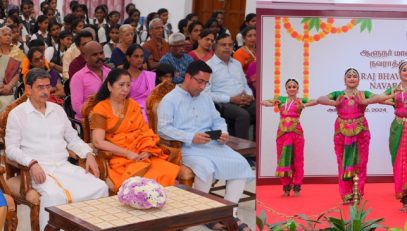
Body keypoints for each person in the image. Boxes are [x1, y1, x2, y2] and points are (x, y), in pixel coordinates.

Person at [5, 68, 108, 231]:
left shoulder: (57, 110)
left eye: (48, 86)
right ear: (28, 88)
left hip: (64, 166)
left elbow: (73, 139)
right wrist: (31, 163)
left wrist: (87, 154)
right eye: (40, 87)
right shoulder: (17, 114)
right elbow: (10, 149)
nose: (46, 91)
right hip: (39, 170)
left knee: (100, 187)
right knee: (55, 196)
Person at [158, 60, 253, 231]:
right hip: (187, 147)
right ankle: (203, 214)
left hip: (212, 144)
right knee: (205, 168)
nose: (202, 87)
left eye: (206, 82)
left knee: (240, 164)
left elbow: (218, 120)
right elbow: (163, 129)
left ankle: (229, 213)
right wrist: (190, 137)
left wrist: (223, 133)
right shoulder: (170, 99)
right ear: (187, 77)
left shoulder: (206, 97)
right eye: (199, 81)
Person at [91, 68, 180, 192]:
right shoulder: (100, 109)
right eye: (121, 85)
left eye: (128, 85)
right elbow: (98, 142)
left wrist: (147, 150)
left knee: (166, 171)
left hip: (140, 153)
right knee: (147, 183)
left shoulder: (132, 105)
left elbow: (144, 131)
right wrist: (127, 153)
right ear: (110, 86)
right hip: (120, 156)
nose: (125, 89)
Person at [317, 68, 392, 203]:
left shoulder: (363, 94)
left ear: (359, 80)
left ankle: (358, 193)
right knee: (342, 162)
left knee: (361, 162)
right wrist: (333, 103)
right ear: (344, 80)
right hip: (341, 130)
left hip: (360, 130)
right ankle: (346, 193)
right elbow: (320, 99)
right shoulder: (338, 94)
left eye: (355, 76)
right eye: (349, 76)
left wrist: (366, 102)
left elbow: (379, 97)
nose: (352, 78)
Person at [261, 79, 317, 196]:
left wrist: (304, 105)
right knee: (283, 159)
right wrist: (270, 103)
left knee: (298, 159)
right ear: (286, 89)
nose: (292, 89)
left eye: (294, 87)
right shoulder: (281, 99)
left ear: (297, 89)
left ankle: (297, 185)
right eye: (289, 87)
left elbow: (315, 101)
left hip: (296, 132)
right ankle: (286, 186)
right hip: (282, 133)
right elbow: (264, 101)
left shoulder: (300, 100)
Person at [206, 33, 255, 140]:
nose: (227, 47)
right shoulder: (208, 66)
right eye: (223, 45)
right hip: (223, 104)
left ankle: (258, 146)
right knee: (243, 115)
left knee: (261, 108)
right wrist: (231, 99)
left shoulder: (236, 64)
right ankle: (242, 151)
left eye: (230, 45)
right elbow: (206, 93)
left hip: (242, 99)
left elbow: (245, 85)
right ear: (215, 47)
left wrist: (249, 96)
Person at [384, 61, 407, 211]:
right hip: (399, 127)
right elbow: (378, 98)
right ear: (399, 73)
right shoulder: (394, 89)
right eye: (404, 70)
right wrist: (392, 101)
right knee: (400, 160)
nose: (406, 72)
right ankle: (404, 198)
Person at [70, 41, 109, 120]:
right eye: (95, 55)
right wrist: (97, 115)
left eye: (101, 53)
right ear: (86, 57)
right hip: (88, 121)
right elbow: (77, 108)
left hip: (110, 116)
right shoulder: (78, 77)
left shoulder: (110, 73)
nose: (99, 57)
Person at [124, 44, 155, 122]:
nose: (140, 59)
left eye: (141, 56)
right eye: (136, 56)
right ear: (128, 58)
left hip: (147, 110)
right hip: (127, 109)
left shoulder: (149, 76)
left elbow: (152, 98)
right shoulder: (122, 77)